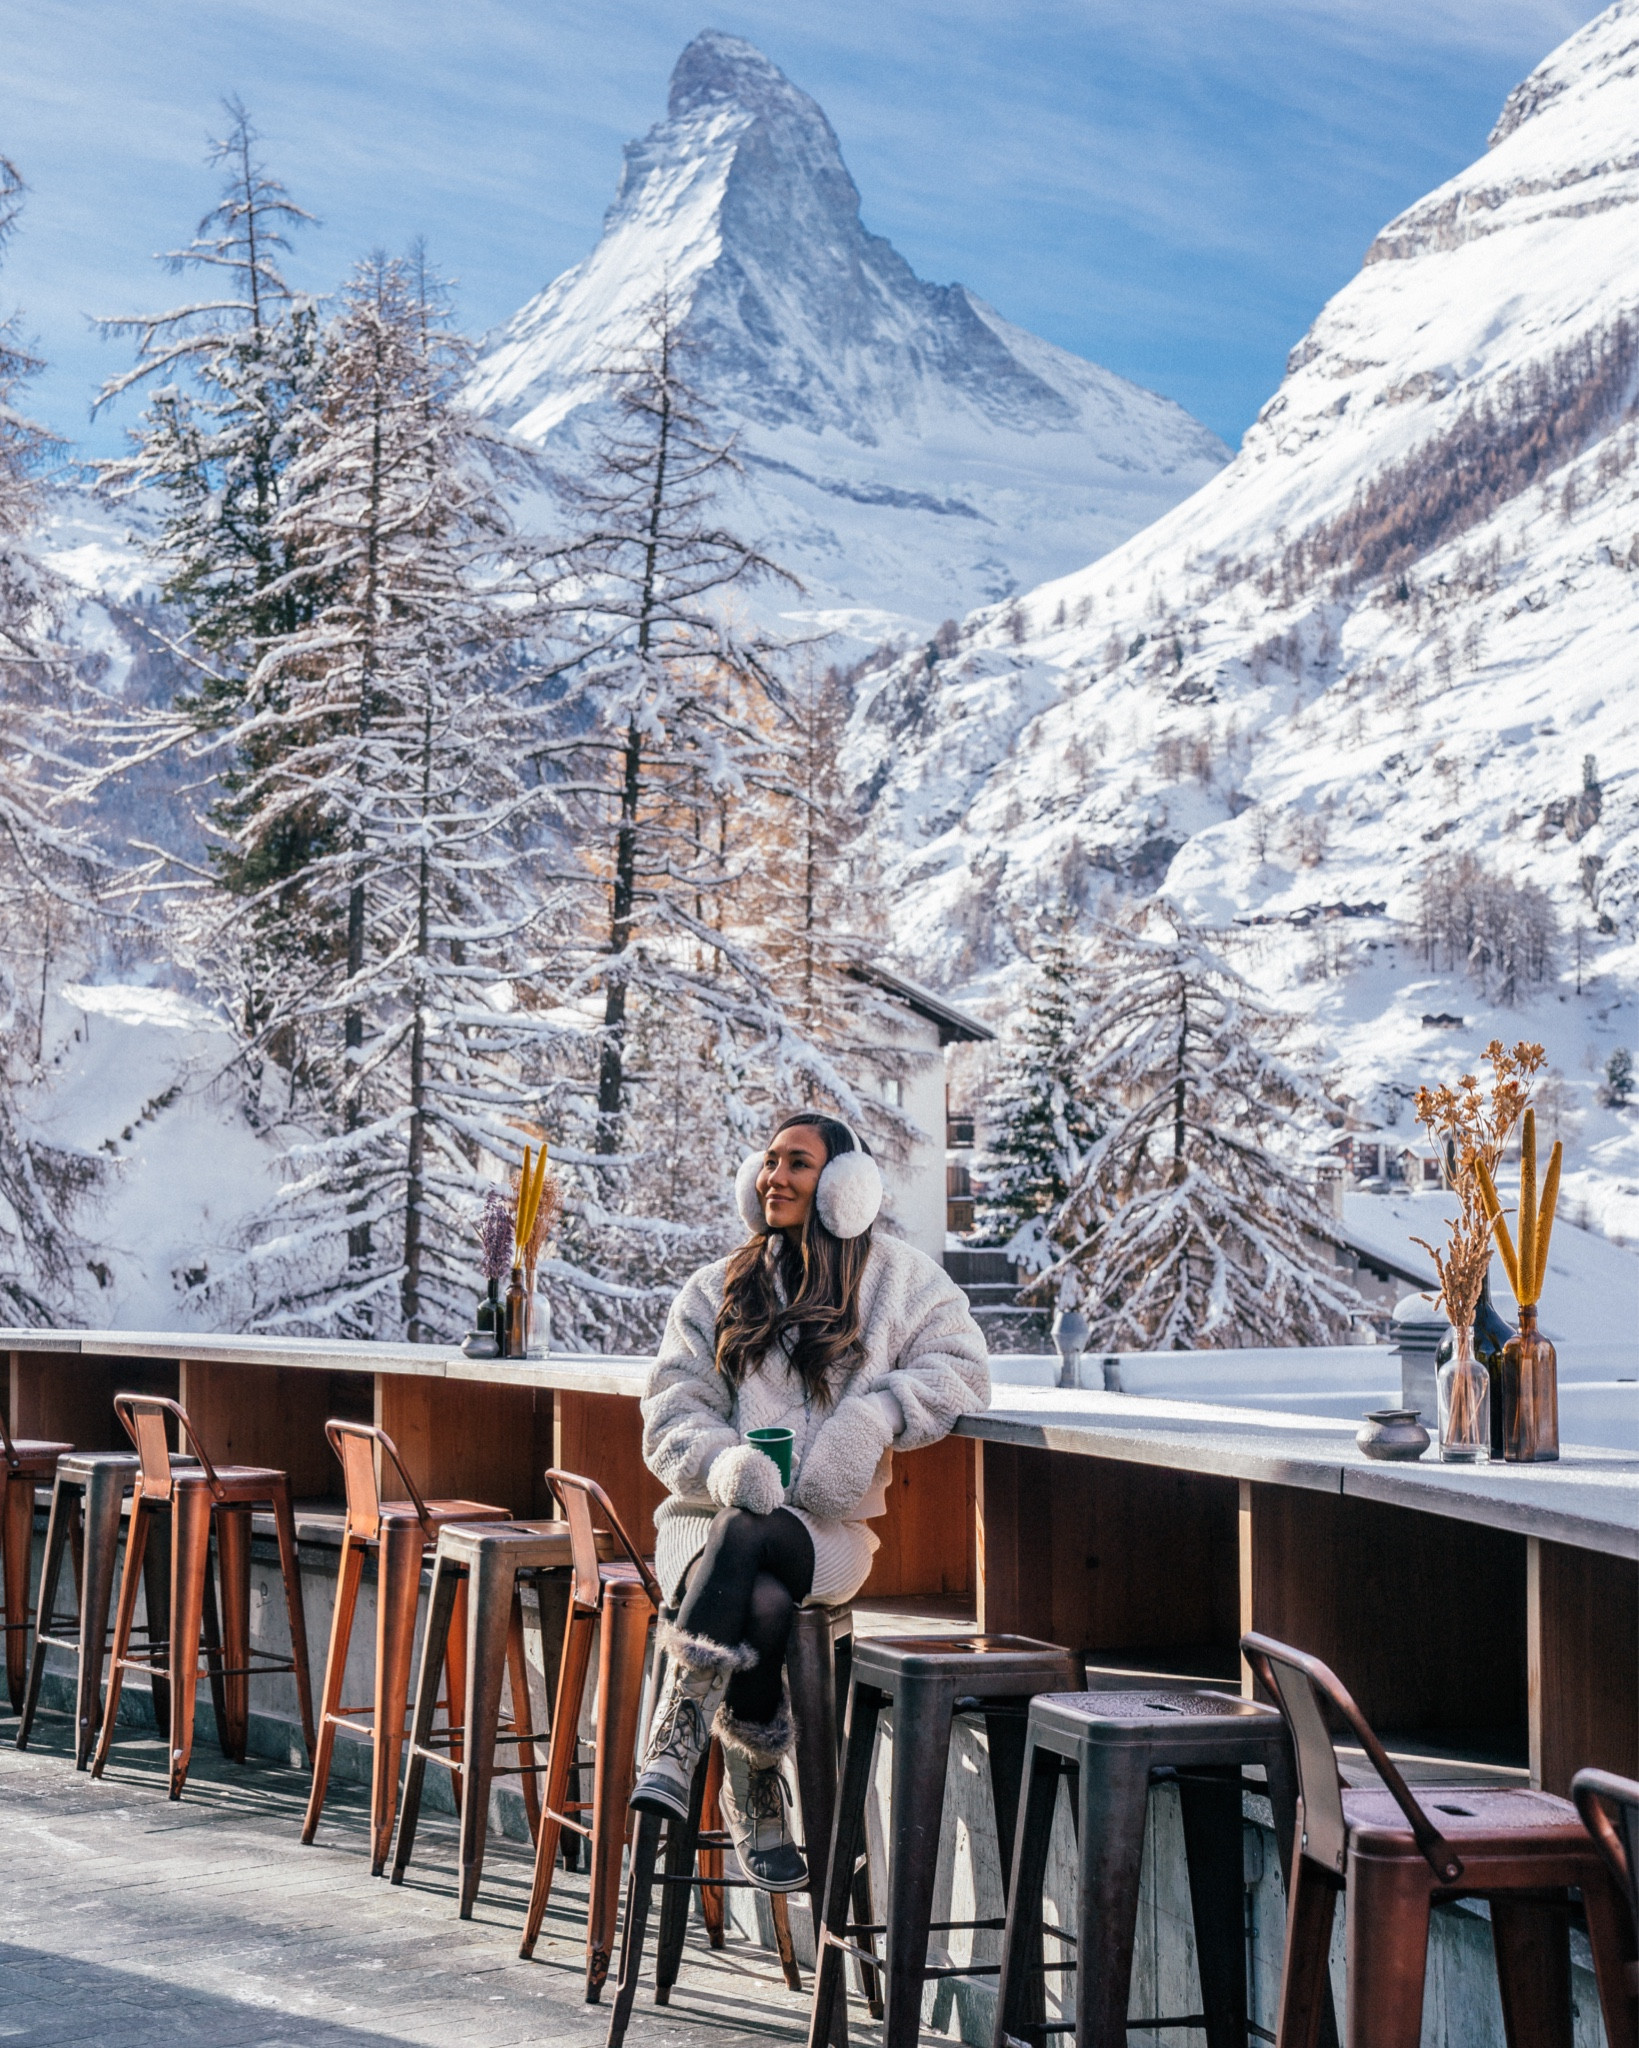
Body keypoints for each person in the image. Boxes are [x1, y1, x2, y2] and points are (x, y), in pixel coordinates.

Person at [630, 1112, 990, 1890]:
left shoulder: (900, 1280)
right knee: (751, 1568)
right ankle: (752, 1778)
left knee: (762, 1549)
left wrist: (873, 1415)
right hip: (702, 1526)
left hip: (824, 1534)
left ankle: (685, 1737)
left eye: (797, 1163)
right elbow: (668, 1415)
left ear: (843, 1187)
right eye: (768, 1162)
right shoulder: (717, 1287)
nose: (775, 1177)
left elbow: (961, 1370)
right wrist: (726, 1467)